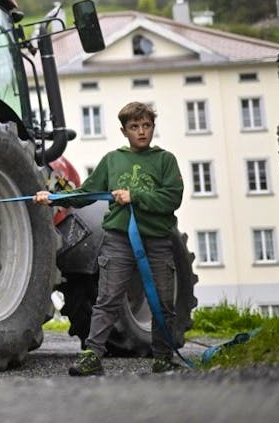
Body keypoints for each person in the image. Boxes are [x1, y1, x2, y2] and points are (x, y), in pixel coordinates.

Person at [34, 102, 184, 375]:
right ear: (124, 130)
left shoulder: (165, 161)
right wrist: (53, 198)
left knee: (163, 302)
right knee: (107, 300)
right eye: (134, 127)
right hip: (119, 239)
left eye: (146, 126)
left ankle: (163, 357)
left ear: (152, 127)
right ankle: (92, 356)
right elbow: (87, 193)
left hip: (157, 241)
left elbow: (172, 198)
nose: (141, 132)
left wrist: (134, 196)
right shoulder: (113, 160)